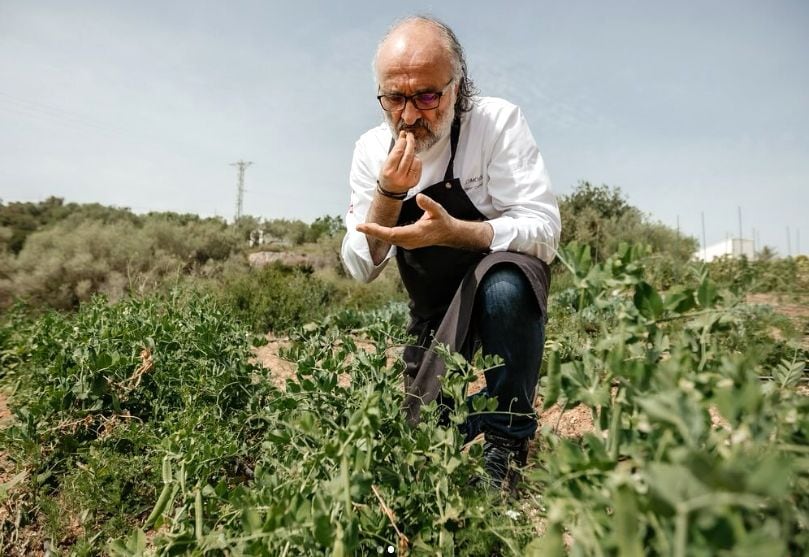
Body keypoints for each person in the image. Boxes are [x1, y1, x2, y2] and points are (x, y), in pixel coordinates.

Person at [341, 15, 561, 490]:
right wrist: (388, 194)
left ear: (456, 88)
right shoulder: (371, 149)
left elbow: (544, 229)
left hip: (500, 287)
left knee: (505, 285)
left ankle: (506, 438)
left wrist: (458, 232)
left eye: (427, 96)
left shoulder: (495, 123)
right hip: (435, 307)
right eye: (394, 98)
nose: (409, 116)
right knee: (422, 437)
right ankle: (480, 419)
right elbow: (360, 265)